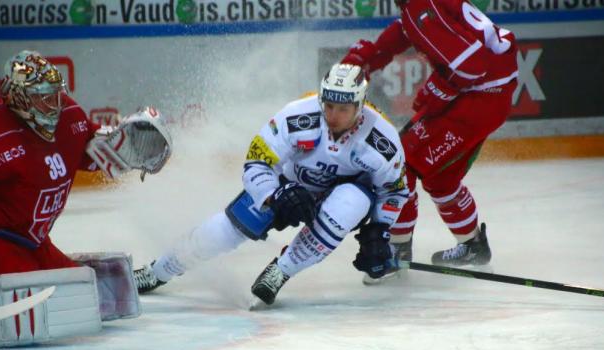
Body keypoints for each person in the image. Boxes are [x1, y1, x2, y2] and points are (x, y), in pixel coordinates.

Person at [134, 63, 409, 305]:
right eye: (329, 105)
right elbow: (256, 161)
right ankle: (158, 271)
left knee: (352, 201)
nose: (333, 115)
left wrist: (379, 229)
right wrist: (273, 195)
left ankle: (280, 271)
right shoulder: (296, 115)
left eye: (343, 109)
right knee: (224, 231)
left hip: (343, 194)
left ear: (360, 106)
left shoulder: (382, 141)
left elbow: (394, 191)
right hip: (287, 186)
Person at [340, 0, 518, 272]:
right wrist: (370, 56)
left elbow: (472, 65)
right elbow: (404, 31)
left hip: (479, 97)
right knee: (441, 178)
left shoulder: (419, 6)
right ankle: (473, 247)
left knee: (401, 164)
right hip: (487, 95)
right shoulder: (419, 6)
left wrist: (435, 91)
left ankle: (397, 252)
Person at [0, 50, 171, 277]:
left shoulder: (70, 115)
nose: (55, 104)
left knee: (85, 285)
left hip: (34, 241)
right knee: (42, 297)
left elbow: (94, 149)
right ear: (19, 97)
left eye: (57, 94)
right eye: (44, 97)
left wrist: (128, 147)